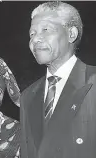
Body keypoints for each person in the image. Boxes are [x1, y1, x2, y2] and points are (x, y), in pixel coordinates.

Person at [20, 2, 96, 158]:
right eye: (32, 34)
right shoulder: (27, 96)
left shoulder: (93, 82)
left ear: (71, 34)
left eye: (45, 30)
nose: (35, 39)